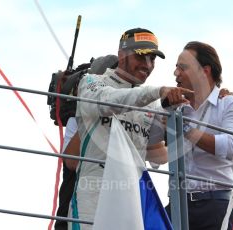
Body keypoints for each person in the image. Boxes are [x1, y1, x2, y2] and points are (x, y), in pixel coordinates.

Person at [67, 28, 192, 230]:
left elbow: (153, 148)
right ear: (121, 55)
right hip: (93, 195)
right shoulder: (92, 82)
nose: (148, 65)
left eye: (152, 59)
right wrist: (157, 92)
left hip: (132, 198)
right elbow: (110, 102)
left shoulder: (151, 101)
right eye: (141, 57)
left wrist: (168, 108)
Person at [165, 41, 233, 230]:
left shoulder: (230, 104)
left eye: (182, 67)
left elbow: (229, 147)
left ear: (205, 71)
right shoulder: (175, 109)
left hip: (216, 207)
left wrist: (183, 129)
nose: (175, 73)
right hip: (177, 207)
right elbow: (150, 147)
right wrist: (163, 108)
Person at [54, 55, 118, 230]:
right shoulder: (78, 115)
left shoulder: (129, 113)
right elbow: (72, 162)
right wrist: (95, 115)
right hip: (76, 199)